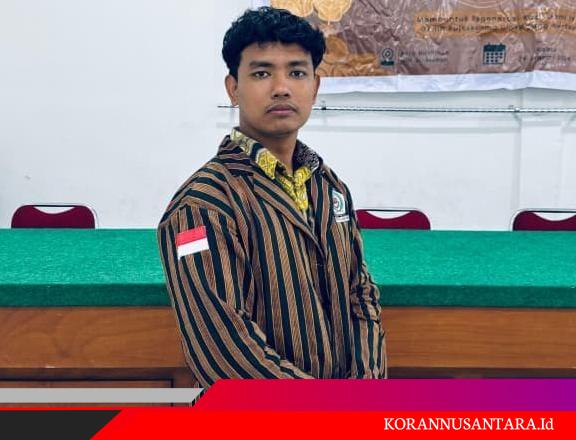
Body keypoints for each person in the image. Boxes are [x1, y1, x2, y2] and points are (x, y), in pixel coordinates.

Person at [157, 6, 385, 387]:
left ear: (315, 86)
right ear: (233, 88)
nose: (282, 87)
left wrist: (365, 391)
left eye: (297, 72)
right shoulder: (202, 205)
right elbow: (223, 349)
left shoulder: (329, 187)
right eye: (262, 73)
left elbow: (360, 296)